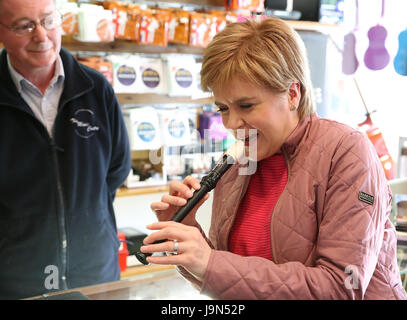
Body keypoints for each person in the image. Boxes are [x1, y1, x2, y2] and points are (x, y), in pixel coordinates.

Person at [141, 17, 407, 299]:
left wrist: (209, 262)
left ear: (293, 94)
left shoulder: (347, 153)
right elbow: (233, 281)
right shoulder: (237, 165)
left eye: (246, 105)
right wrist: (188, 234)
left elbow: (340, 288)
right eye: (222, 108)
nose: (231, 123)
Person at [0, 0, 131, 299]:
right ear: (2, 31)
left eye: (48, 20)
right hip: (17, 283)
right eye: (24, 25)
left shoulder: (96, 88)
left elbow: (116, 169)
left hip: (95, 276)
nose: (41, 36)